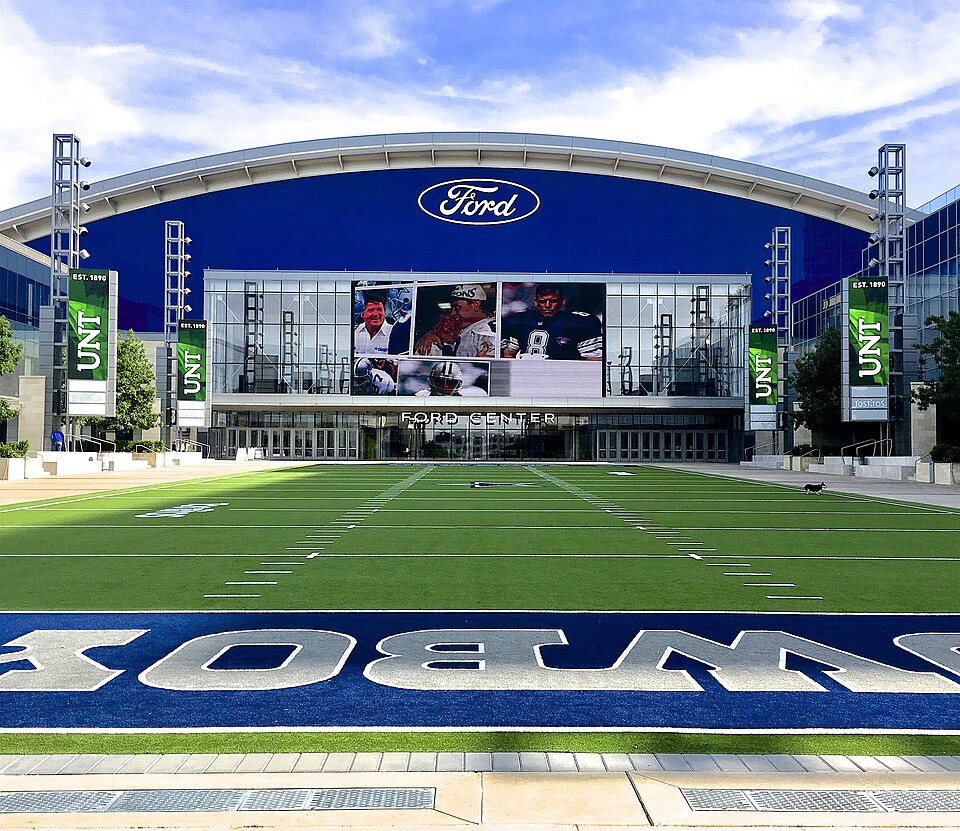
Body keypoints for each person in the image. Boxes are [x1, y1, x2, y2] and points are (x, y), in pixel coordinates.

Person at [501, 284, 602, 360]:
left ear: (563, 301)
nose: (547, 305)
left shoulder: (580, 322)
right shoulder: (520, 320)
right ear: (535, 302)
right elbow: (508, 354)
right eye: (542, 301)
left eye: (553, 301)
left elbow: (592, 360)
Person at [449, 284, 496, 357]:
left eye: (457, 308)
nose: (452, 313)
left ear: (476, 304)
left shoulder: (487, 330)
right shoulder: (468, 327)